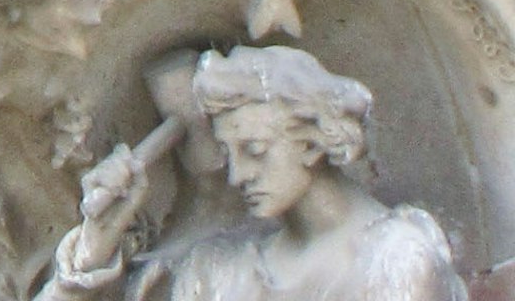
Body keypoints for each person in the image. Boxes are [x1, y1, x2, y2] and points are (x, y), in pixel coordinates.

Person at [44, 48, 464, 301]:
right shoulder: (217, 273)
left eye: (255, 150)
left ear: (314, 141)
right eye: (228, 155)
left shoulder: (394, 258)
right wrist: (96, 246)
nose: (238, 176)